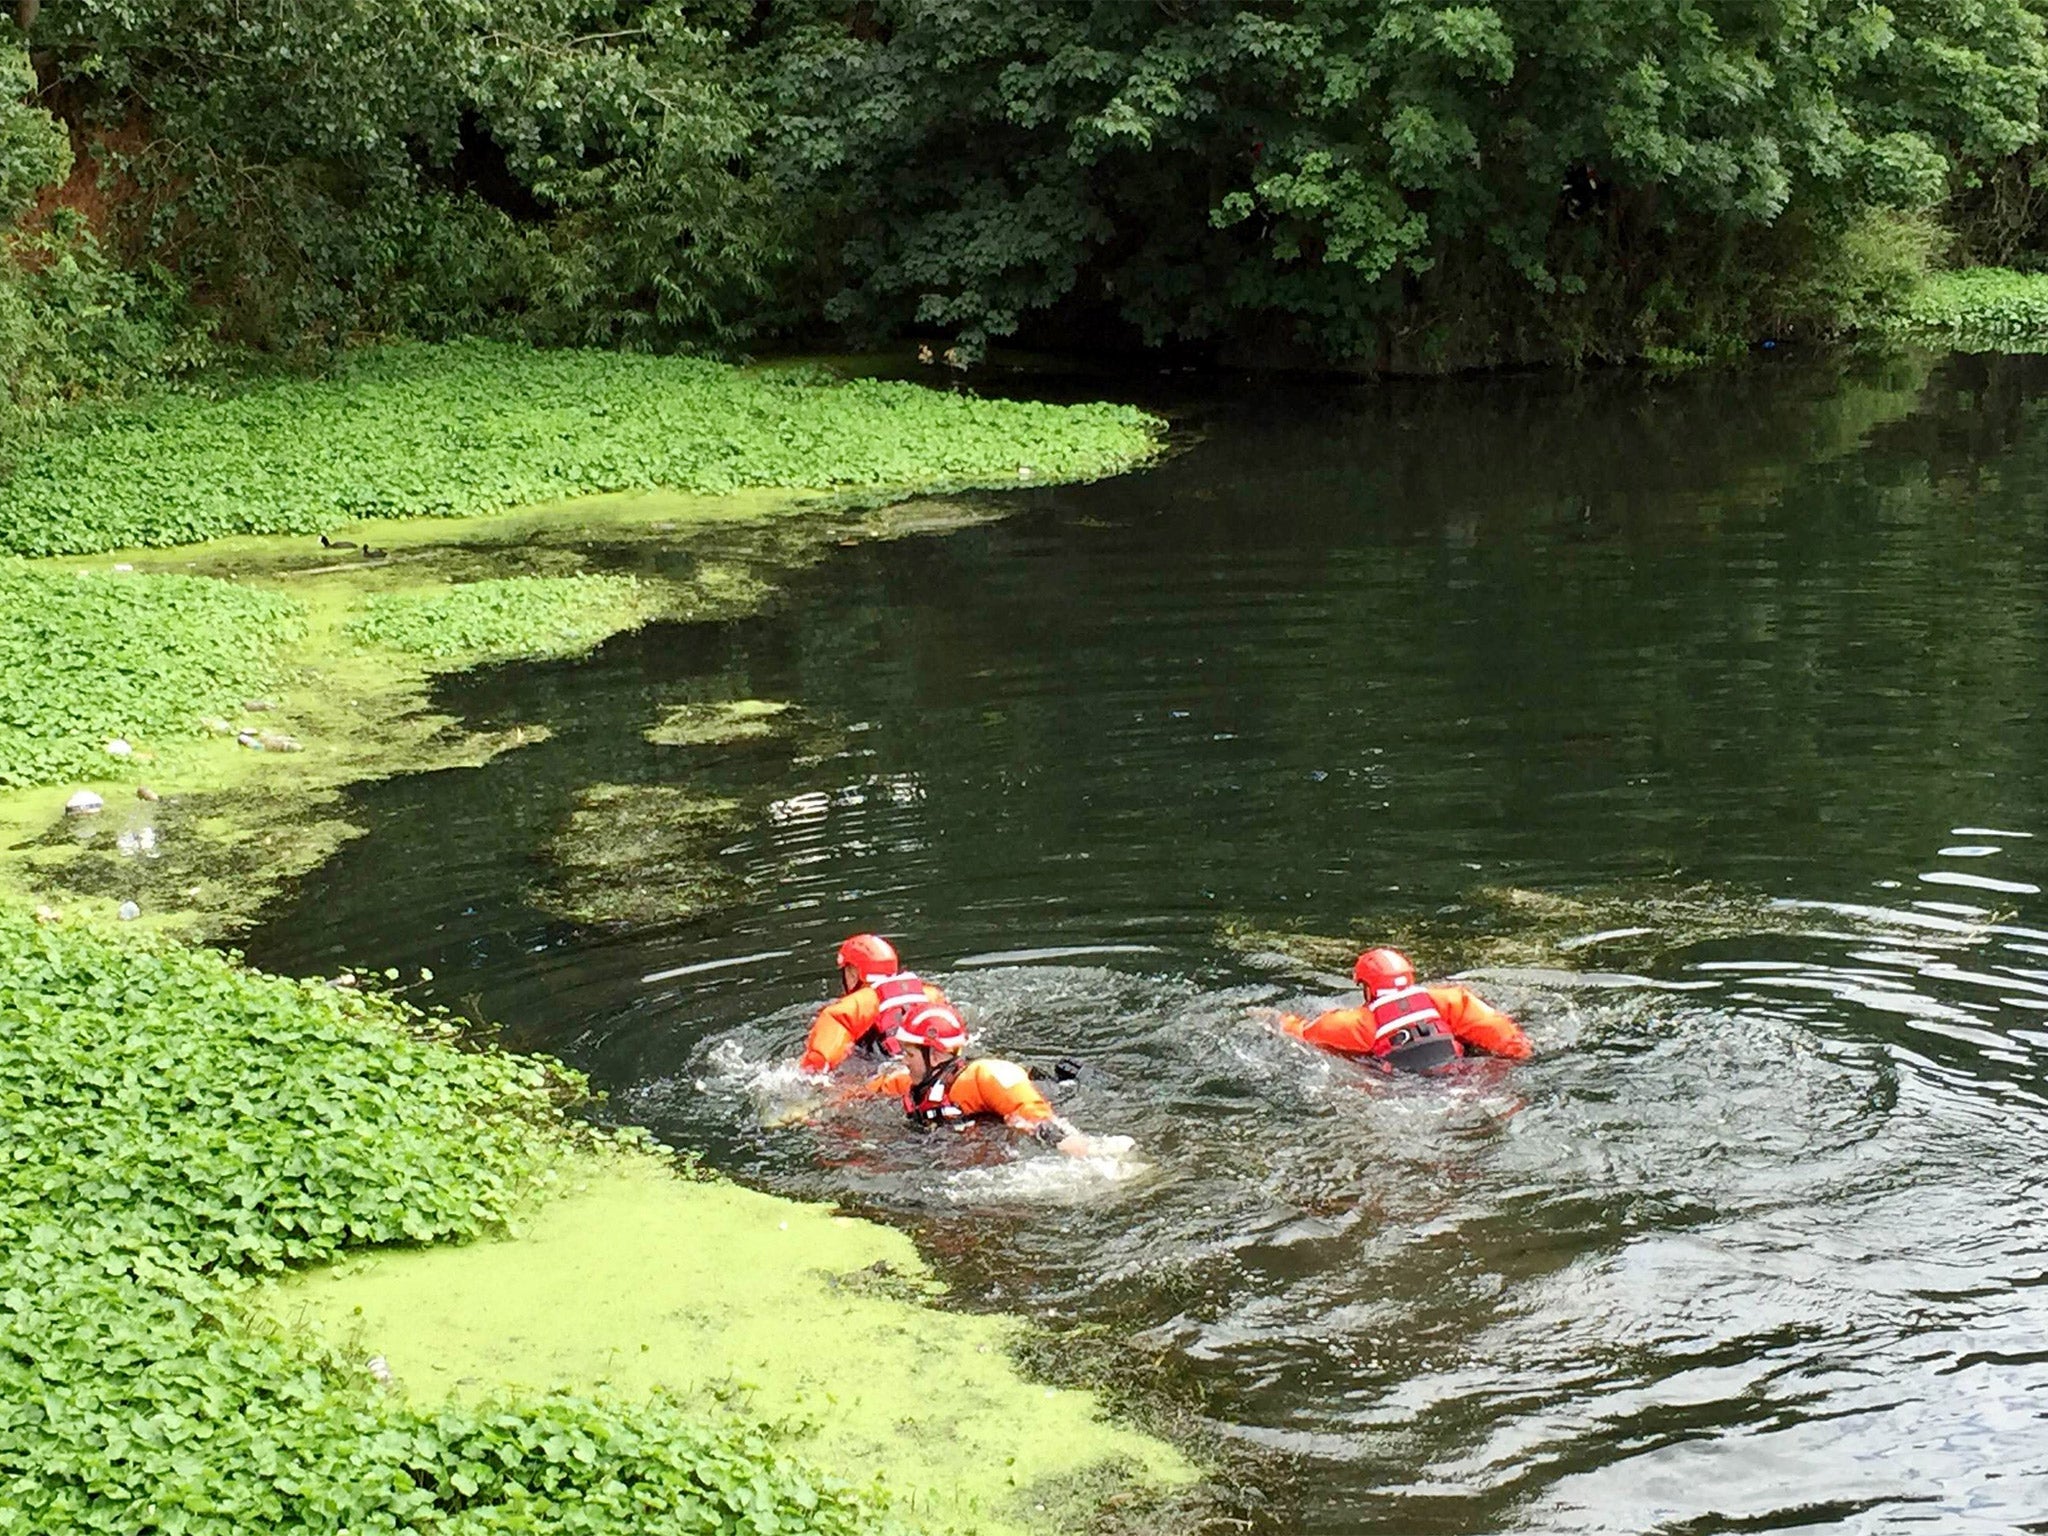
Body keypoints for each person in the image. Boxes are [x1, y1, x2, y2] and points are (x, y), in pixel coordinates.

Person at [861, 998, 1127, 1158]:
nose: (903, 1061)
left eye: (908, 1054)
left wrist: (1066, 1142)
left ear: (935, 1053)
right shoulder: (911, 1082)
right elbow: (863, 1093)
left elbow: (1031, 1112)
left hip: (1056, 1097)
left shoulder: (984, 1075)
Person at [1277, 946, 1531, 1073]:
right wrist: (1523, 1055)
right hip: (1463, 1076)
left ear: (1366, 987)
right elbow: (1503, 1035)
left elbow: (1301, 1032)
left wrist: (1272, 1018)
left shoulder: (1355, 1024)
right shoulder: (1452, 1000)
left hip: (1404, 1090)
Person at [797, 933, 953, 1074]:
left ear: (852, 973)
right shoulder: (930, 995)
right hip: (937, 1067)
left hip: (891, 1074)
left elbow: (815, 1070)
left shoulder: (850, 1008)